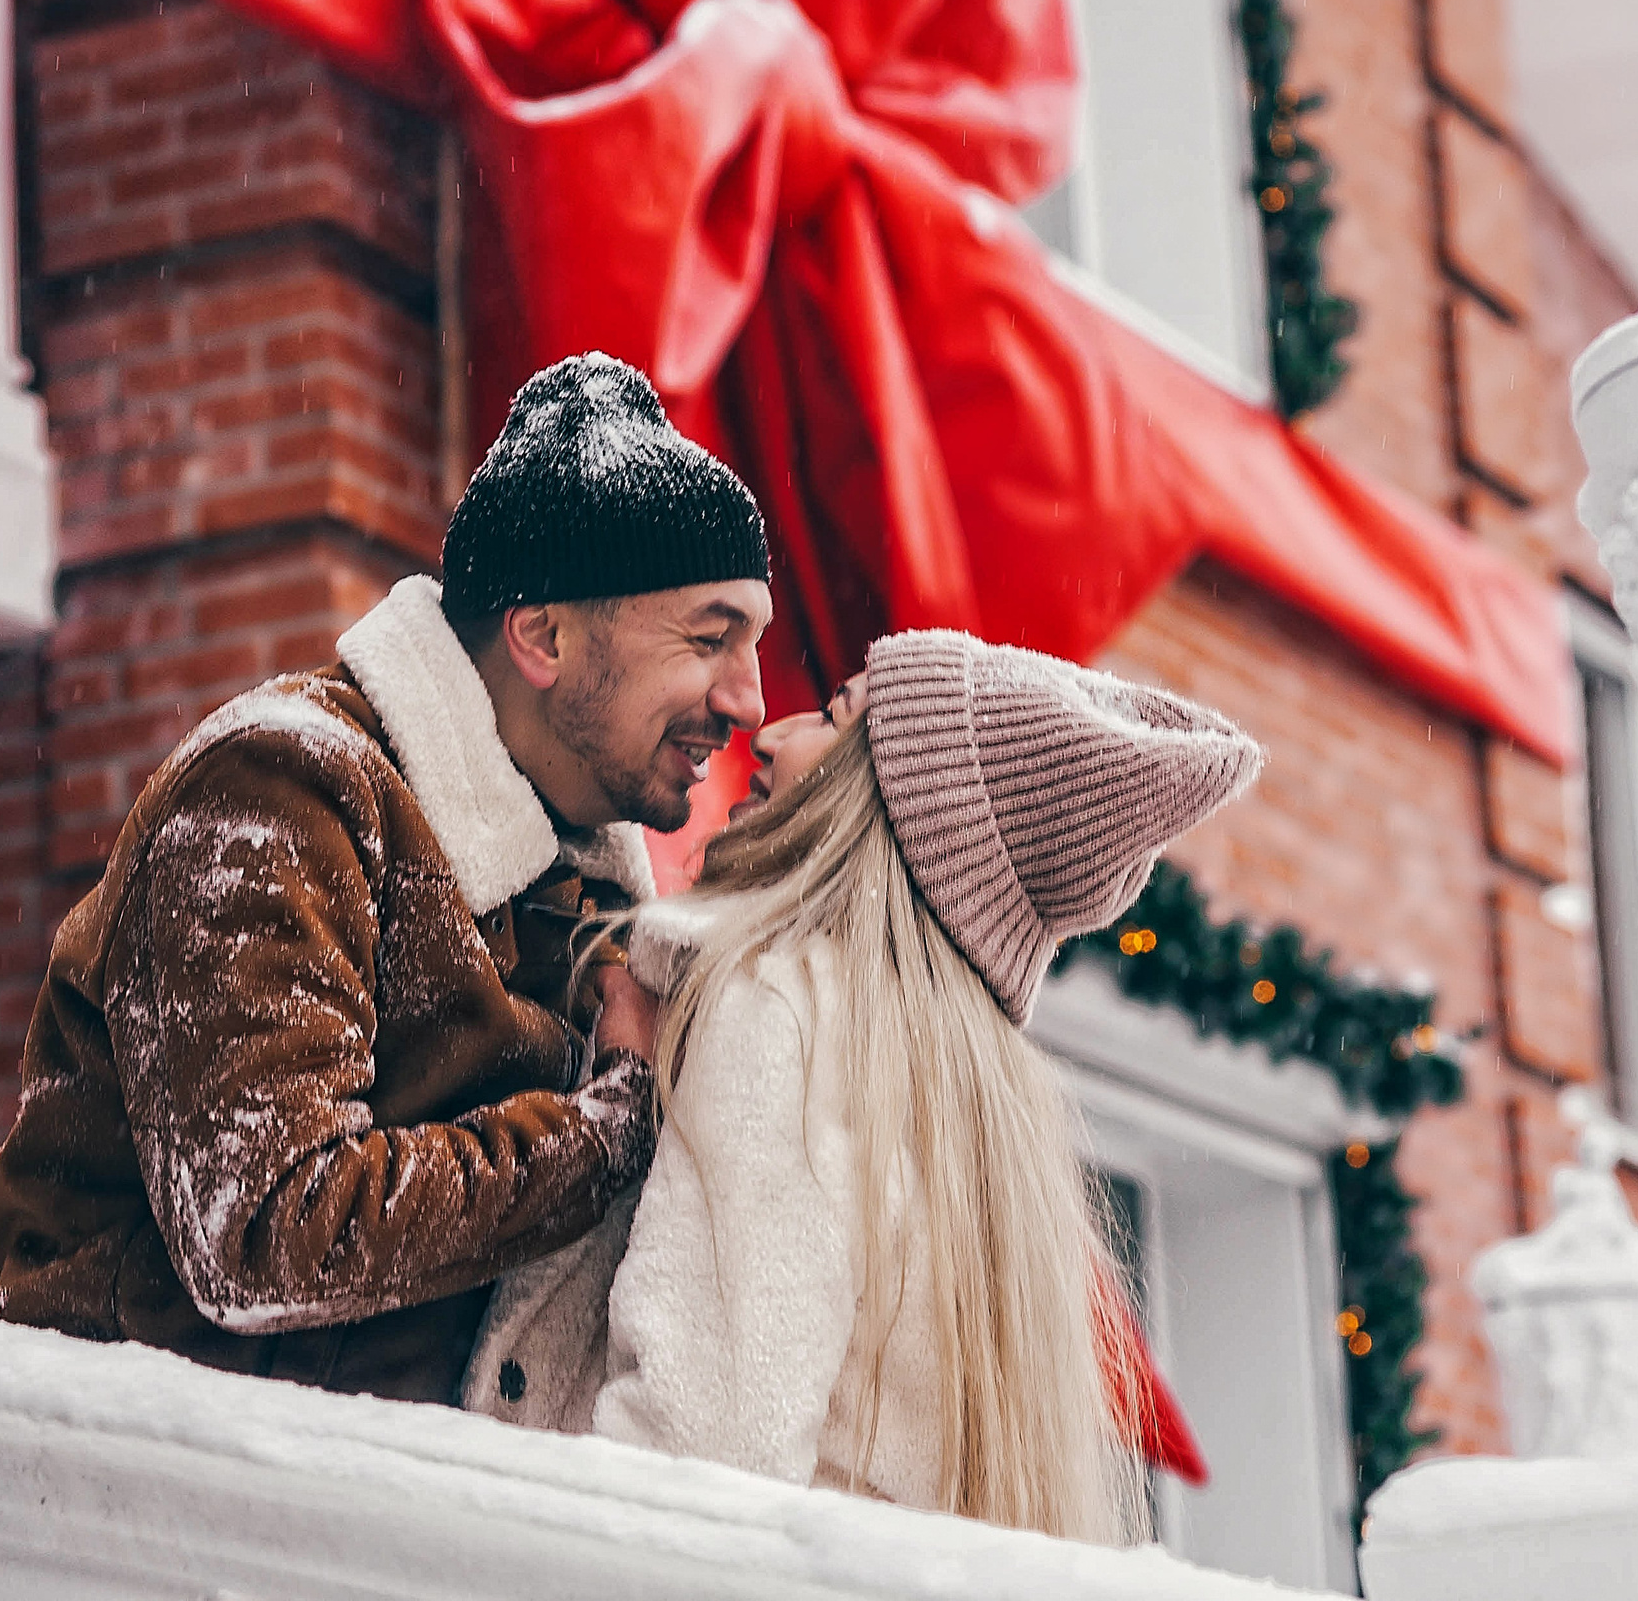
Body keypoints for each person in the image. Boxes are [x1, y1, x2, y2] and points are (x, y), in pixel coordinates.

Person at [0, 352, 772, 1406]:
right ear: (542, 634)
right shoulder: (281, 790)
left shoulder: (593, 911)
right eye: (710, 638)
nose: (750, 699)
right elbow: (261, 1235)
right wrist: (610, 1122)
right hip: (147, 1520)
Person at [468, 631, 1260, 1544]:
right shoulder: (964, 1094)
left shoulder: (783, 1009)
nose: (770, 734)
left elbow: (693, 1454)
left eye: (835, 716)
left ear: (882, 807)